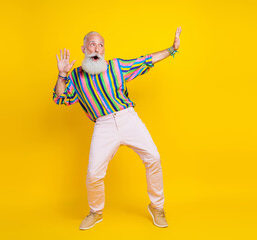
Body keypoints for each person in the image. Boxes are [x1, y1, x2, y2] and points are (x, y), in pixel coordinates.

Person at [52, 27, 182, 230]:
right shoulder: (75, 77)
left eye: (101, 45)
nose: (97, 48)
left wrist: (172, 49)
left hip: (127, 118)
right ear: (84, 48)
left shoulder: (116, 67)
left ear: (104, 50)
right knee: (94, 174)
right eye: (92, 44)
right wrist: (62, 74)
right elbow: (60, 98)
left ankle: (157, 207)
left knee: (153, 158)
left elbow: (146, 60)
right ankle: (96, 212)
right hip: (103, 126)